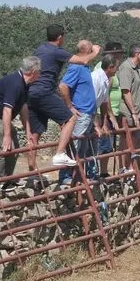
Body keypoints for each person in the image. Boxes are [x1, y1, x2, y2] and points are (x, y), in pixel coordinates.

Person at [29, 25, 100, 168]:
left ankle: (32, 172)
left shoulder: (40, 49)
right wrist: (96, 52)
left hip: (31, 92)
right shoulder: (56, 51)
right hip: (44, 91)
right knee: (71, 118)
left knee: (34, 134)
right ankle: (60, 154)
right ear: (60, 37)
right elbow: (83, 61)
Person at [0, 57, 42, 180]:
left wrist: (28, 132)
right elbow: (7, 109)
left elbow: (23, 108)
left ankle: (8, 180)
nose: (40, 74)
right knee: (6, 148)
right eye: (39, 71)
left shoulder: (24, 84)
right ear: (33, 71)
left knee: (15, 149)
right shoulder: (15, 83)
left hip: (1, 117)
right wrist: (6, 135)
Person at [56, 41, 99, 187]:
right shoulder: (77, 67)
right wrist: (70, 106)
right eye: (92, 48)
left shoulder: (85, 67)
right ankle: (66, 176)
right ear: (86, 50)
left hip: (87, 114)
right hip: (81, 114)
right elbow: (63, 86)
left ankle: (78, 175)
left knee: (82, 147)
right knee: (74, 143)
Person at [116, 43, 140, 172]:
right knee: (126, 140)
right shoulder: (126, 68)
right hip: (128, 112)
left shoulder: (136, 68)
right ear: (137, 54)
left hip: (138, 111)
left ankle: (135, 166)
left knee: (138, 139)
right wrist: (133, 112)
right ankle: (124, 167)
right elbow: (125, 91)